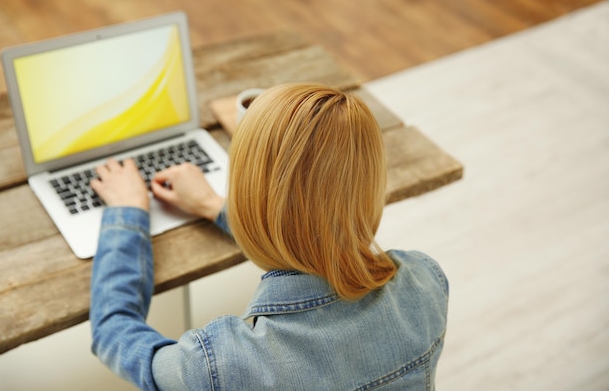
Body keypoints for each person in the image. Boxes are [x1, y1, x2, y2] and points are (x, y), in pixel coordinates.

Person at [90, 83, 449, 391]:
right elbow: (317, 233)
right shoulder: (426, 283)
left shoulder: (219, 365)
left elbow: (112, 329)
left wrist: (126, 214)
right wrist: (212, 204)